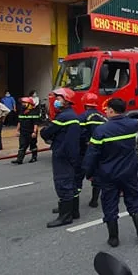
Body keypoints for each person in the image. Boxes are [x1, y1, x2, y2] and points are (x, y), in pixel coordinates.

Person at [84, 98, 138, 247]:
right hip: (129, 172)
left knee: (110, 205)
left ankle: (113, 238)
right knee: (134, 200)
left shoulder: (101, 130)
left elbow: (92, 154)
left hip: (108, 174)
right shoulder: (133, 125)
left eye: (107, 109)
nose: (105, 112)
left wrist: (88, 172)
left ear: (112, 110)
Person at [41, 88, 83, 227]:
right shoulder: (72, 115)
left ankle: (65, 216)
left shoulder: (63, 117)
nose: (56, 102)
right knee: (71, 183)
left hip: (62, 155)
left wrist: (44, 130)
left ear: (67, 101)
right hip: (71, 155)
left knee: (63, 183)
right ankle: (73, 211)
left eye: (59, 99)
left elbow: (46, 133)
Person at [78, 93, 107, 209]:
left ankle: (72, 201)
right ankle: (94, 200)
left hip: (85, 151)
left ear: (85, 104)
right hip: (100, 150)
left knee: (78, 175)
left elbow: (79, 134)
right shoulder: (103, 116)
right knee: (97, 175)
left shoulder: (82, 116)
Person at [11, 97, 41, 165]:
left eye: (24, 103)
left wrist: (34, 132)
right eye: (22, 103)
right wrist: (17, 131)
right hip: (23, 131)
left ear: (29, 104)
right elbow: (19, 122)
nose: (23, 104)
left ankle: (34, 157)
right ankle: (19, 159)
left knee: (33, 145)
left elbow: (35, 123)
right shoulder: (21, 111)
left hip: (31, 132)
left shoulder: (34, 112)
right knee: (22, 145)